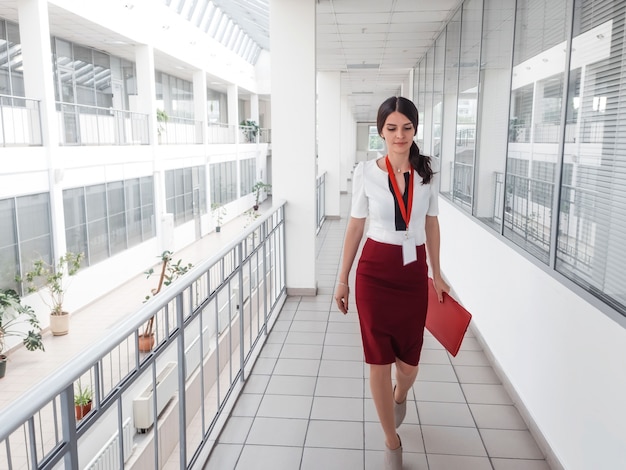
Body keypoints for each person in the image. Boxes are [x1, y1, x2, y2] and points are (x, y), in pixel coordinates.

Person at [334, 96, 449, 470]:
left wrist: (437, 271)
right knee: (378, 361)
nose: (399, 136)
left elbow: (430, 223)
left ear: (415, 129)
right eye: (391, 128)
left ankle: (401, 395)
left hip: (413, 273)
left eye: (407, 128)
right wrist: (343, 279)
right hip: (374, 271)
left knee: (409, 364)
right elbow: (355, 226)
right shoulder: (366, 172)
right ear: (380, 131)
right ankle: (392, 443)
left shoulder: (426, 173)